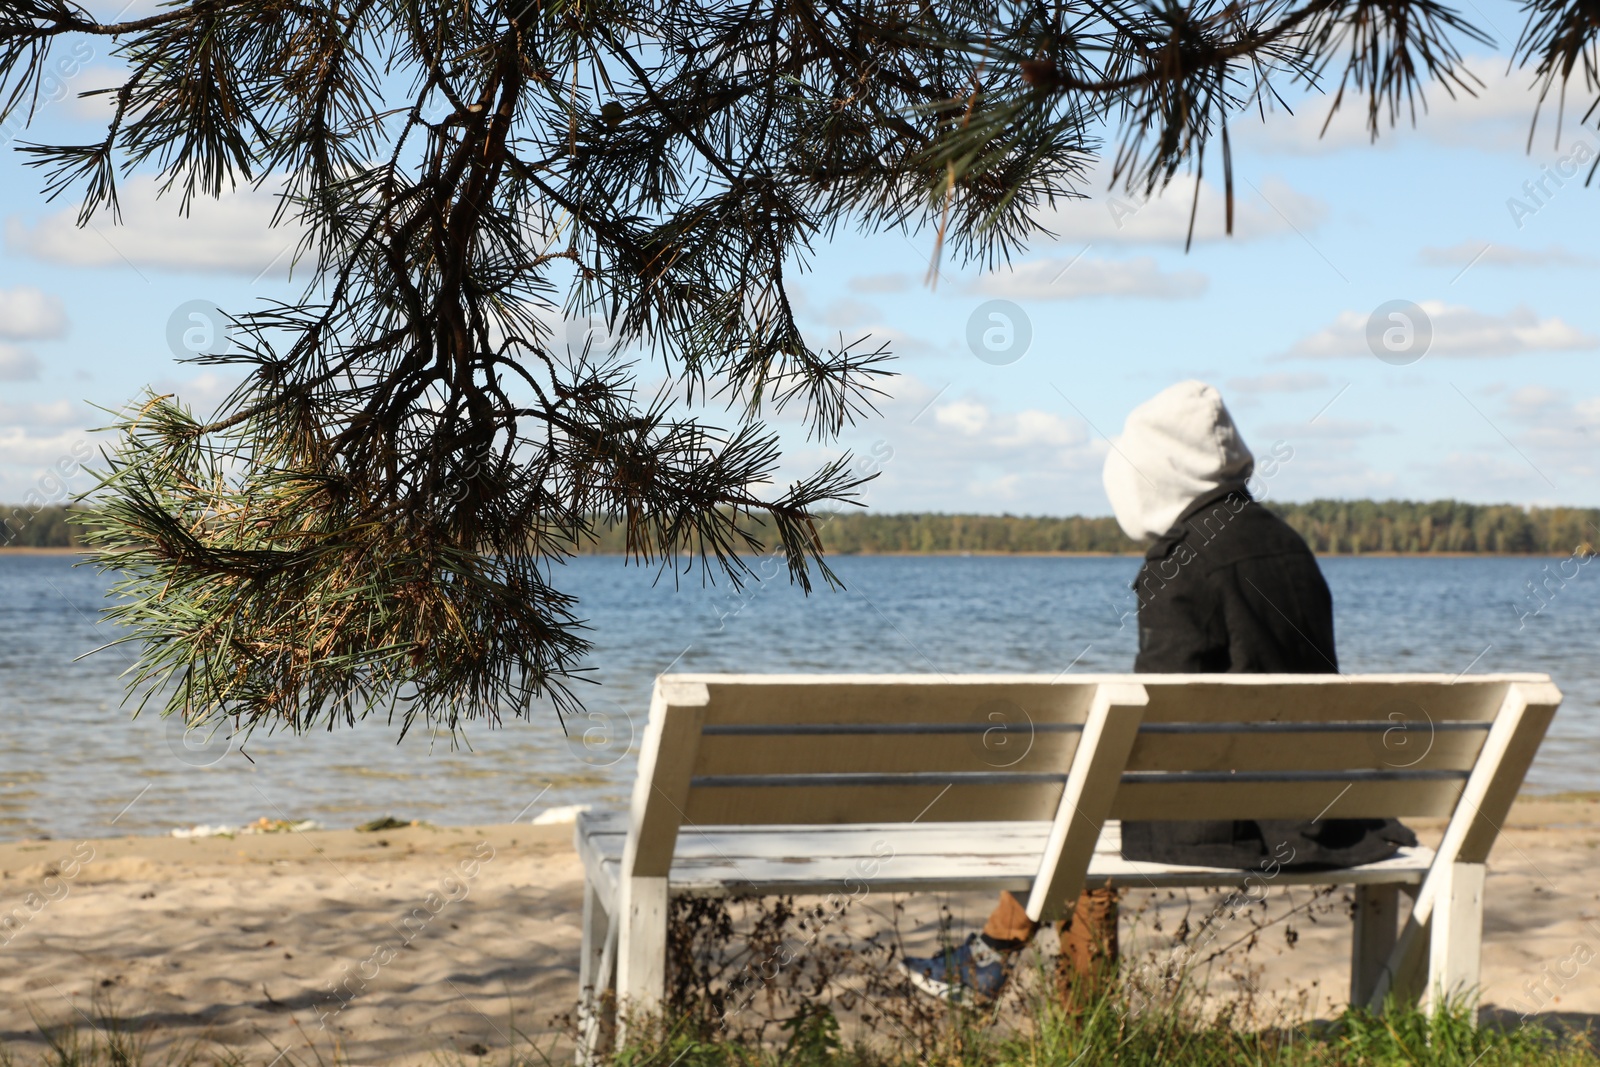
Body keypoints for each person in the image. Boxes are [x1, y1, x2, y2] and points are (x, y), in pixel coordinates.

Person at [901, 380, 1415, 1003]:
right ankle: (992, 955)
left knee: (1081, 822)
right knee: (1086, 806)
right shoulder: (1289, 544)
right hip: (1329, 808)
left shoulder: (1180, 564)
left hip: (1248, 823)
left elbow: (1159, 719)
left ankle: (1059, 1008)